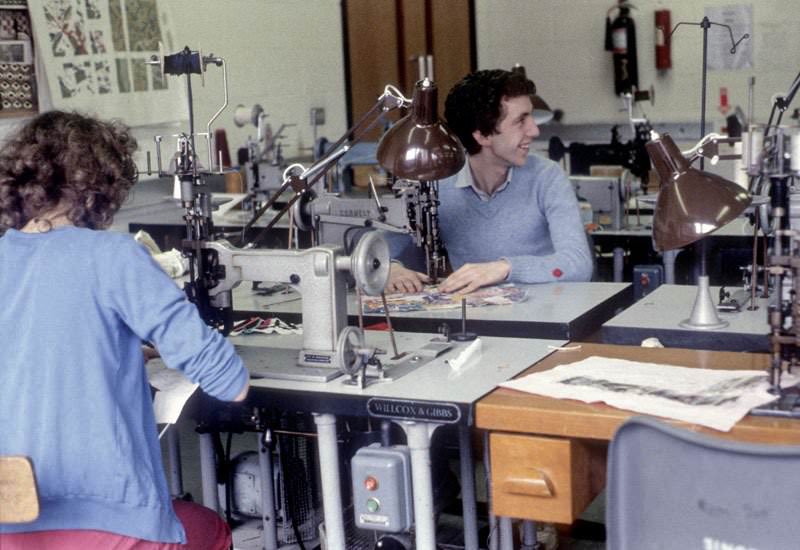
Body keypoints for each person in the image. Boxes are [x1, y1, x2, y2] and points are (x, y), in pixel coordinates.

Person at [0, 111, 249, 549]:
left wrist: (121, 350)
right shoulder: (112, 256)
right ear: (100, 186)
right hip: (114, 526)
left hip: (12, 527)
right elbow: (230, 384)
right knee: (210, 529)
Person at [387, 68, 593, 293]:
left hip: (545, 317)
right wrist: (390, 268)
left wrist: (506, 268)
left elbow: (578, 264)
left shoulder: (546, 177)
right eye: (520, 121)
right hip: (480, 318)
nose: (534, 130)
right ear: (482, 136)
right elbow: (382, 245)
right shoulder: (438, 182)